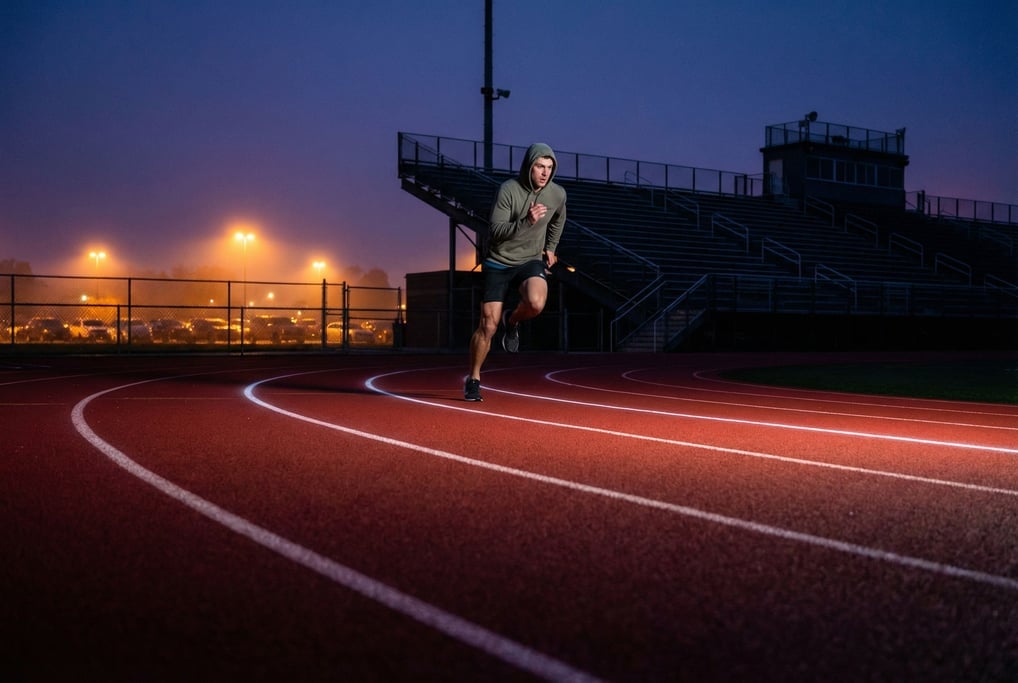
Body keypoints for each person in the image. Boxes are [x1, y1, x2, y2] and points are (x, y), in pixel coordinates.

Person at [464, 142, 567, 401]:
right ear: (529, 166)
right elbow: (495, 232)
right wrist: (526, 222)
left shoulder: (557, 194)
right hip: (498, 261)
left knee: (536, 302)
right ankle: (474, 379)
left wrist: (551, 247)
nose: (545, 173)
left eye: (549, 168)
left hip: (530, 260)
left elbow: (558, 218)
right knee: (488, 326)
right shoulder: (508, 190)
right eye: (539, 167)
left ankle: (513, 320)